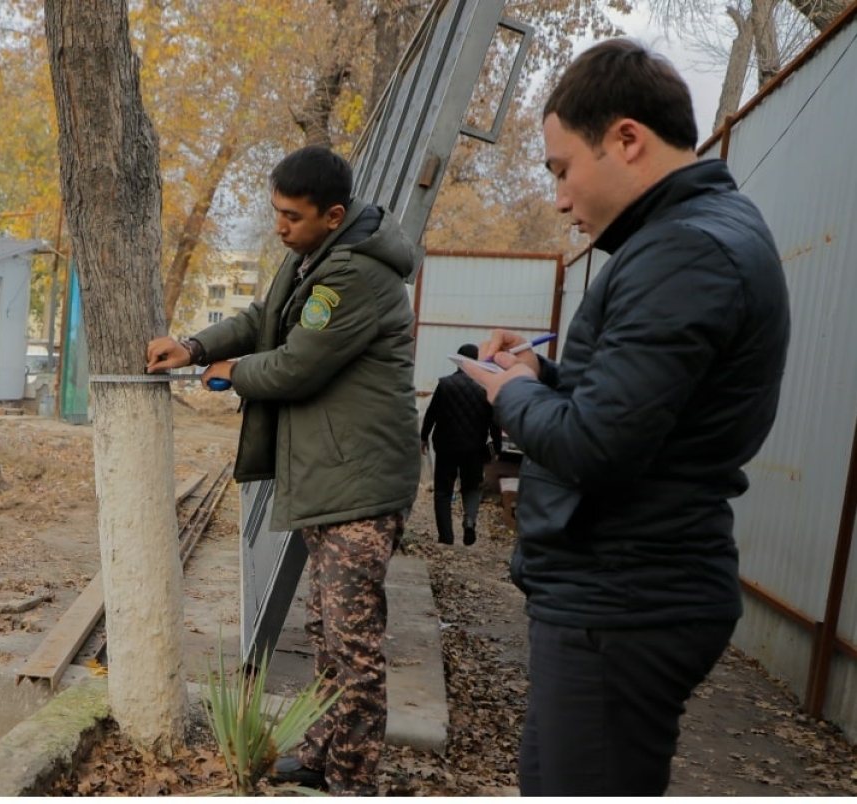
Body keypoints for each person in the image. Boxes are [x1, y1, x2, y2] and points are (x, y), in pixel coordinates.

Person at [459, 39, 790, 796]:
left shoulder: (686, 251)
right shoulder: (692, 235)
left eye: (562, 169)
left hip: (625, 599)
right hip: (617, 589)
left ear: (628, 139)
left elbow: (597, 443)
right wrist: (541, 373)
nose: (560, 198)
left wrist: (507, 396)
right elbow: (642, 405)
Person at [147, 145, 420, 795]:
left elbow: (297, 365)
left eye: (290, 216)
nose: (278, 226)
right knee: (327, 631)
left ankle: (354, 781)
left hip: (358, 482)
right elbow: (261, 321)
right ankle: (327, 755)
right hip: (334, 474)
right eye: (275, 213)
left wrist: (231, 372)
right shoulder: (312, 259)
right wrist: (194, 345)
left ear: (332, 215)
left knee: (352, 645)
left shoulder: (352, 276)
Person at [421, 343, 502, 545]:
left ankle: (446, 538)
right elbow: (495, 421)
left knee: (442, 492)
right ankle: (469, 520)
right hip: (474, 449)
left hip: (446, 447)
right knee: (471, 487)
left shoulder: (445, 384)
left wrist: (423, 437)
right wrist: (497, 449)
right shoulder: (484, 388)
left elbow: (432, 414)